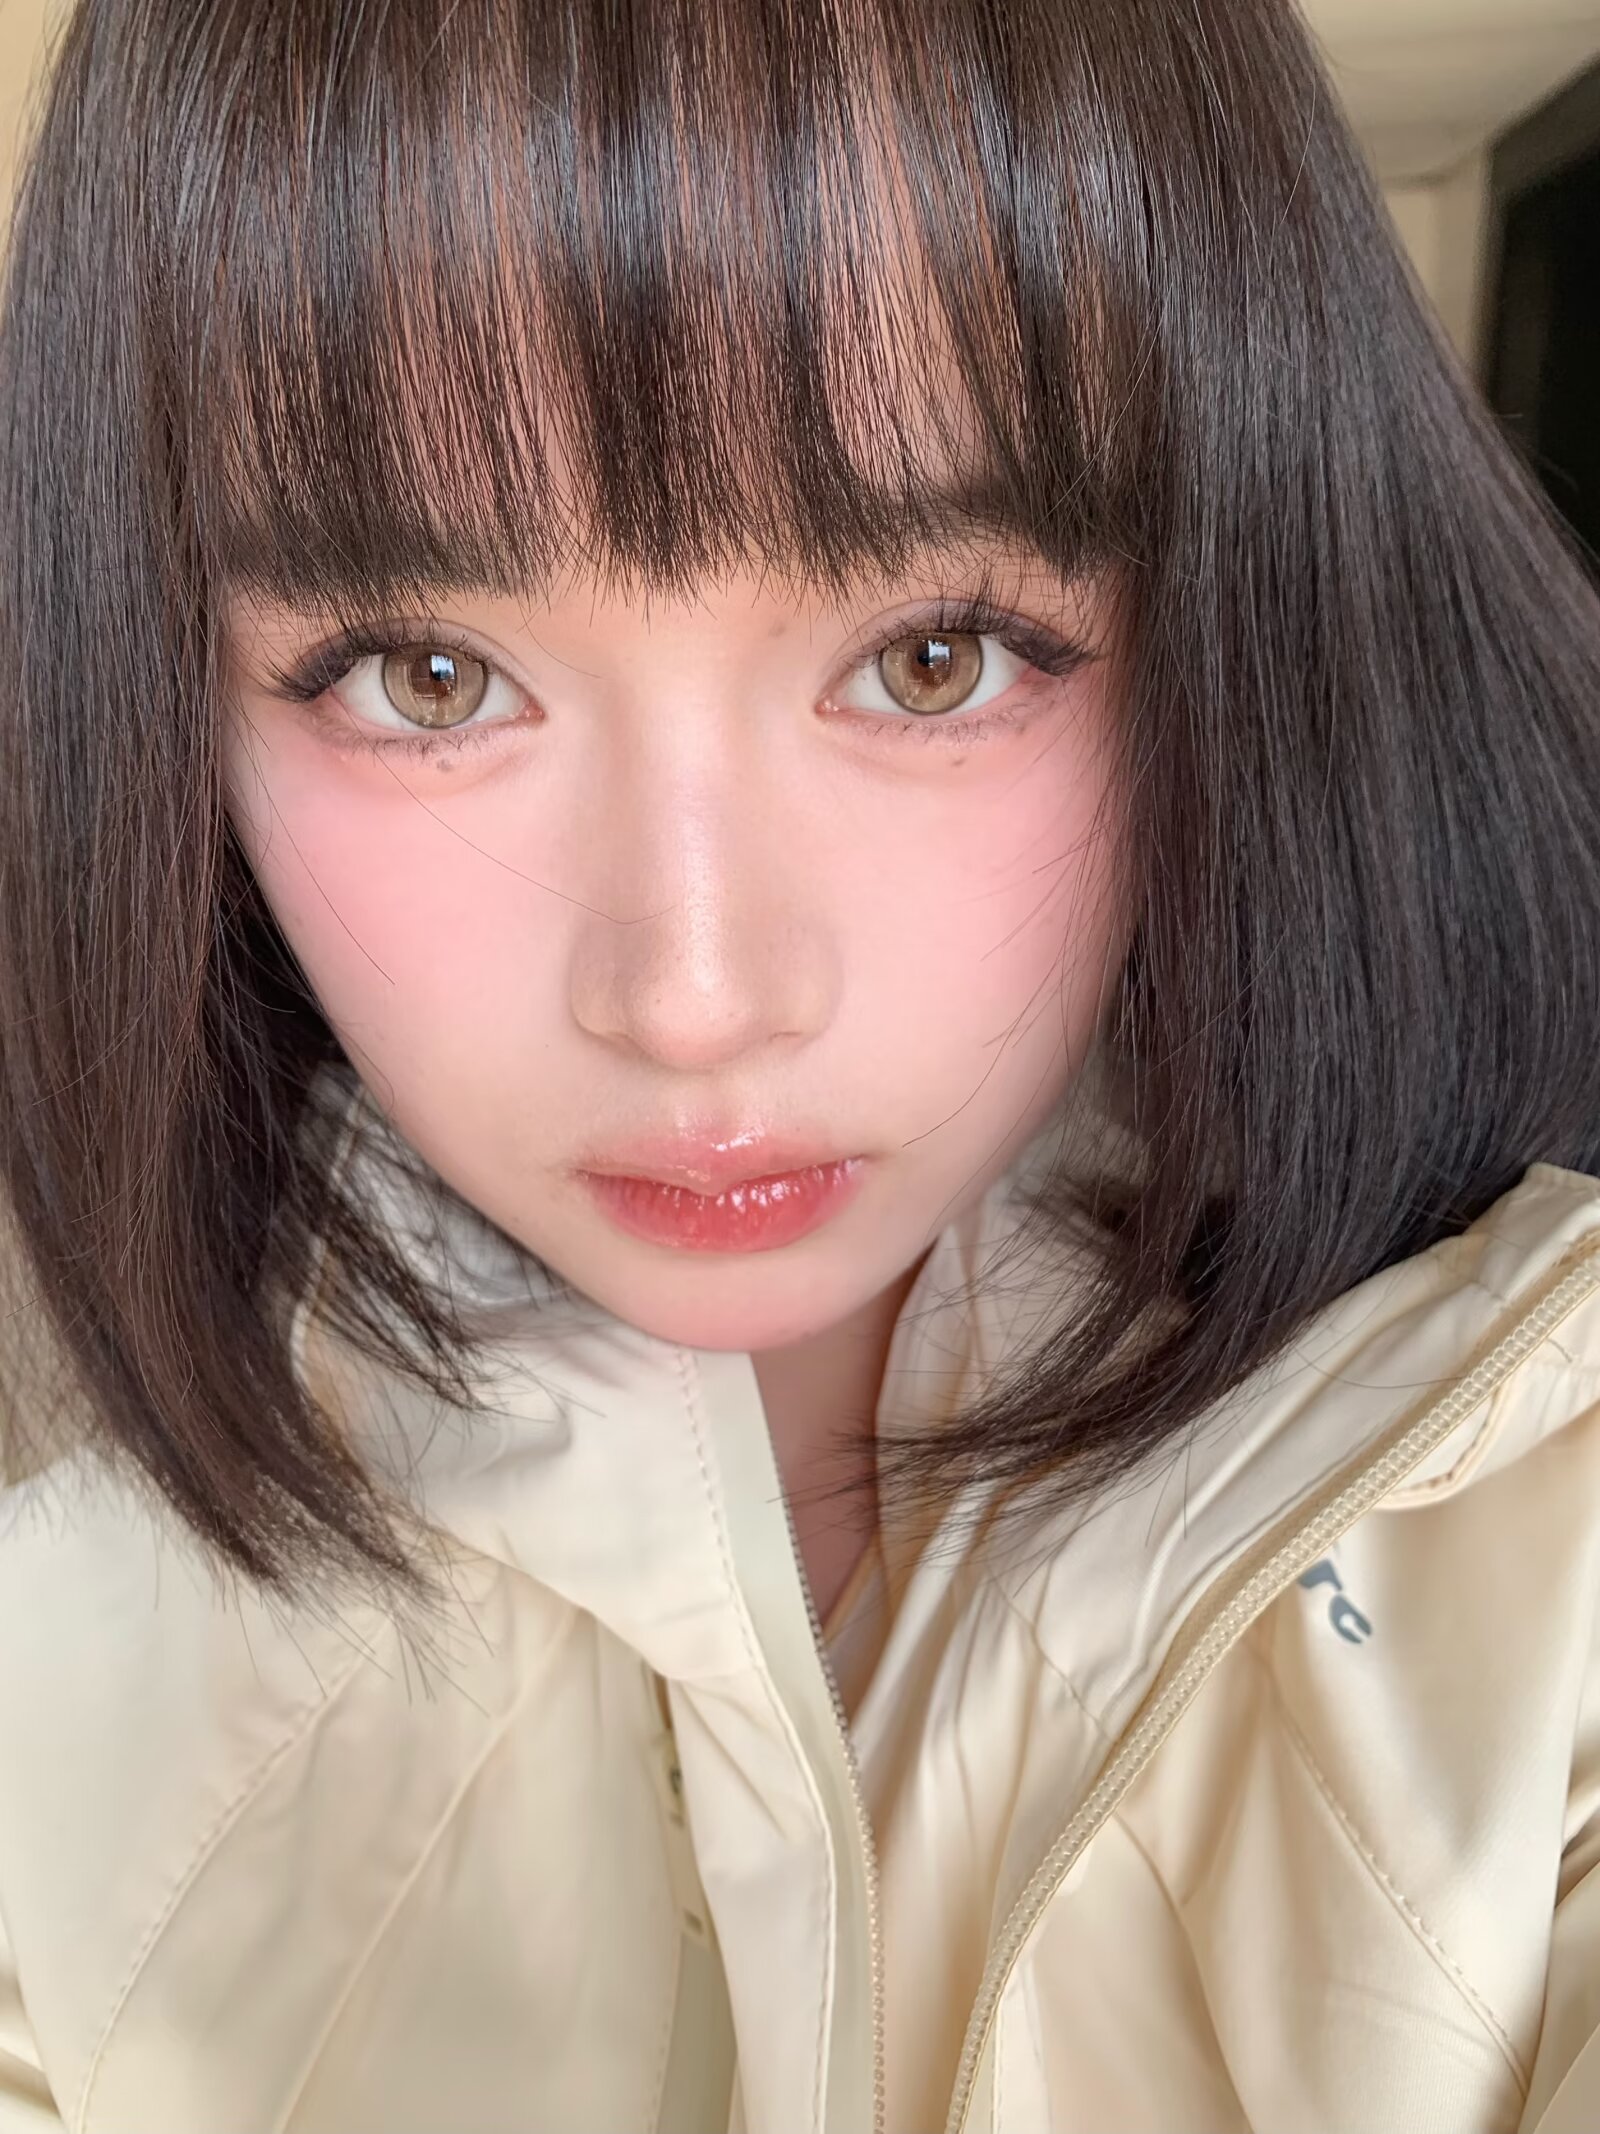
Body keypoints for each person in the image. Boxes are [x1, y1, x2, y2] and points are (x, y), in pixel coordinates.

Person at [1, 0, 1598, 2127]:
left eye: (931, 657)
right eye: (428, 674)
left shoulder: (1552, 1570)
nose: (693, 992)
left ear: (1251, 598)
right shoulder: (61, 1717)